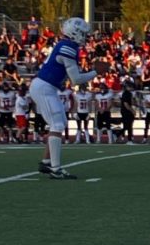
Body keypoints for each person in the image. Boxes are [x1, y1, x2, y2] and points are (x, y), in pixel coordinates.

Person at [29, 17, 99, 179]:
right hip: (44, 87)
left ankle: (47, 162)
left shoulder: (68, 45)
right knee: (57, 124)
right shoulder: (68, 47)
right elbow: (76, 80)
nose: (86, 37)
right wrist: (96, 72)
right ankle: (56, 169)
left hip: (48, 87)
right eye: (83, 33)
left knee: (60, 124)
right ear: (75, 33)